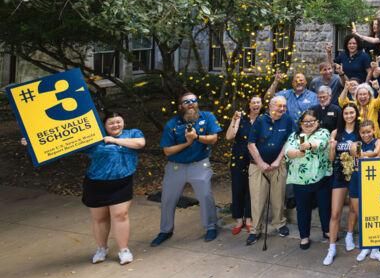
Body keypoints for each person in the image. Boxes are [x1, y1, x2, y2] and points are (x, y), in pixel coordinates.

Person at [40, 112, 146, 265]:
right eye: (111, 123)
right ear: (104, 125)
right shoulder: (93, 137)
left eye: (118, 121)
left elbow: (140, 144)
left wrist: (114, 140)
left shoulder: (133, 133)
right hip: (96, 183)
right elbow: (61, 143)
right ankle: (102, 249)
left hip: (122, 182)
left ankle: (124, 250)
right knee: (100, 218)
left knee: (120, 215)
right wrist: (31, 144)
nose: (115, 125)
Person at [152, 92, 221, 246]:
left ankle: (210, 227)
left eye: (193, 100)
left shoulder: (207, 117)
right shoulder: (172, 124)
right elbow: (167, 151)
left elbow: (213, 138)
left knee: (205, 196)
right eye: (186, 102)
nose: (190, 103)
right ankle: (165, 231)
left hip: (199, 164)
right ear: (180, 106)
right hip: (176, 166)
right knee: (168, 199)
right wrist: (187, 143)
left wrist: (197, 137)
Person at [245, 95, 293, 245]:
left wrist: (278, 160)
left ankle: (279, 223)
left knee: (278, 197)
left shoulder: (287, 119)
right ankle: (255, 229)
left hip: (278, 165)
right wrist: (260, 163)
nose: (282, 109)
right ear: (271, 106)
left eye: (284, 106)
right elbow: (251, 144)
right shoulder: (260, 121)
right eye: (279, 106)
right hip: (258, 166)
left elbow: (289, 141)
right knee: (257, 199)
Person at [284, 110, 333, 249]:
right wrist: (296, 153)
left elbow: (321, 143)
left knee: (324, 207)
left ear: (317, 122)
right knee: (302, 209)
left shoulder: (323, 132)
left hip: (321, 177)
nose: (308, 124)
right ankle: (304, 236)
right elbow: (287, 151)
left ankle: (327, 230)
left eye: (312, 121)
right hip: (301, 180)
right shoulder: (294, 136)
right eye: (305, 121)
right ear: (300, 123)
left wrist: (309, 145)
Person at [324, 103, 363, 265]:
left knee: (354, 209)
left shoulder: (360, 132)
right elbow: (331, 158)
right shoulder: (336, 133)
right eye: (346, 113)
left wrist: (356, 151)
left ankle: (349, 235)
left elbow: (361, 155)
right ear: (342, 115)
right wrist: (332, 148)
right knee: (335, 213)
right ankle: (331, 248)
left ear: (356, 114)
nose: (349, 116)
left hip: (355, 174)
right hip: (339, 175)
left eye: (352, 112)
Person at [350, 120, 380, 264]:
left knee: (372, 214)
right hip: (356, 180)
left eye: (369, 132)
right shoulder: (356, 142)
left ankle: (375, 249)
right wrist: (366, 154)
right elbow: (355, 151)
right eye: (363, 132)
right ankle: (366, 246)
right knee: (361, 215)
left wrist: (365, 155)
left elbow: (377, 152)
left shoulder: (377, 141)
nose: (366, 135)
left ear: (373, 131)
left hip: (371, 181)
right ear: (359, 133)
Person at [224, 96, 262, 236]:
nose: (256, 104)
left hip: (255, 158)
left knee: (252, 189)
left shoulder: (263, 120)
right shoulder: (241, 118)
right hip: (239, 157)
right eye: (253, 102)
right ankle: (239, 219)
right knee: (238, 188)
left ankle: (249, 218)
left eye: (258, 102)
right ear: (249, 105)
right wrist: (234, 120)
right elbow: (229, 136)